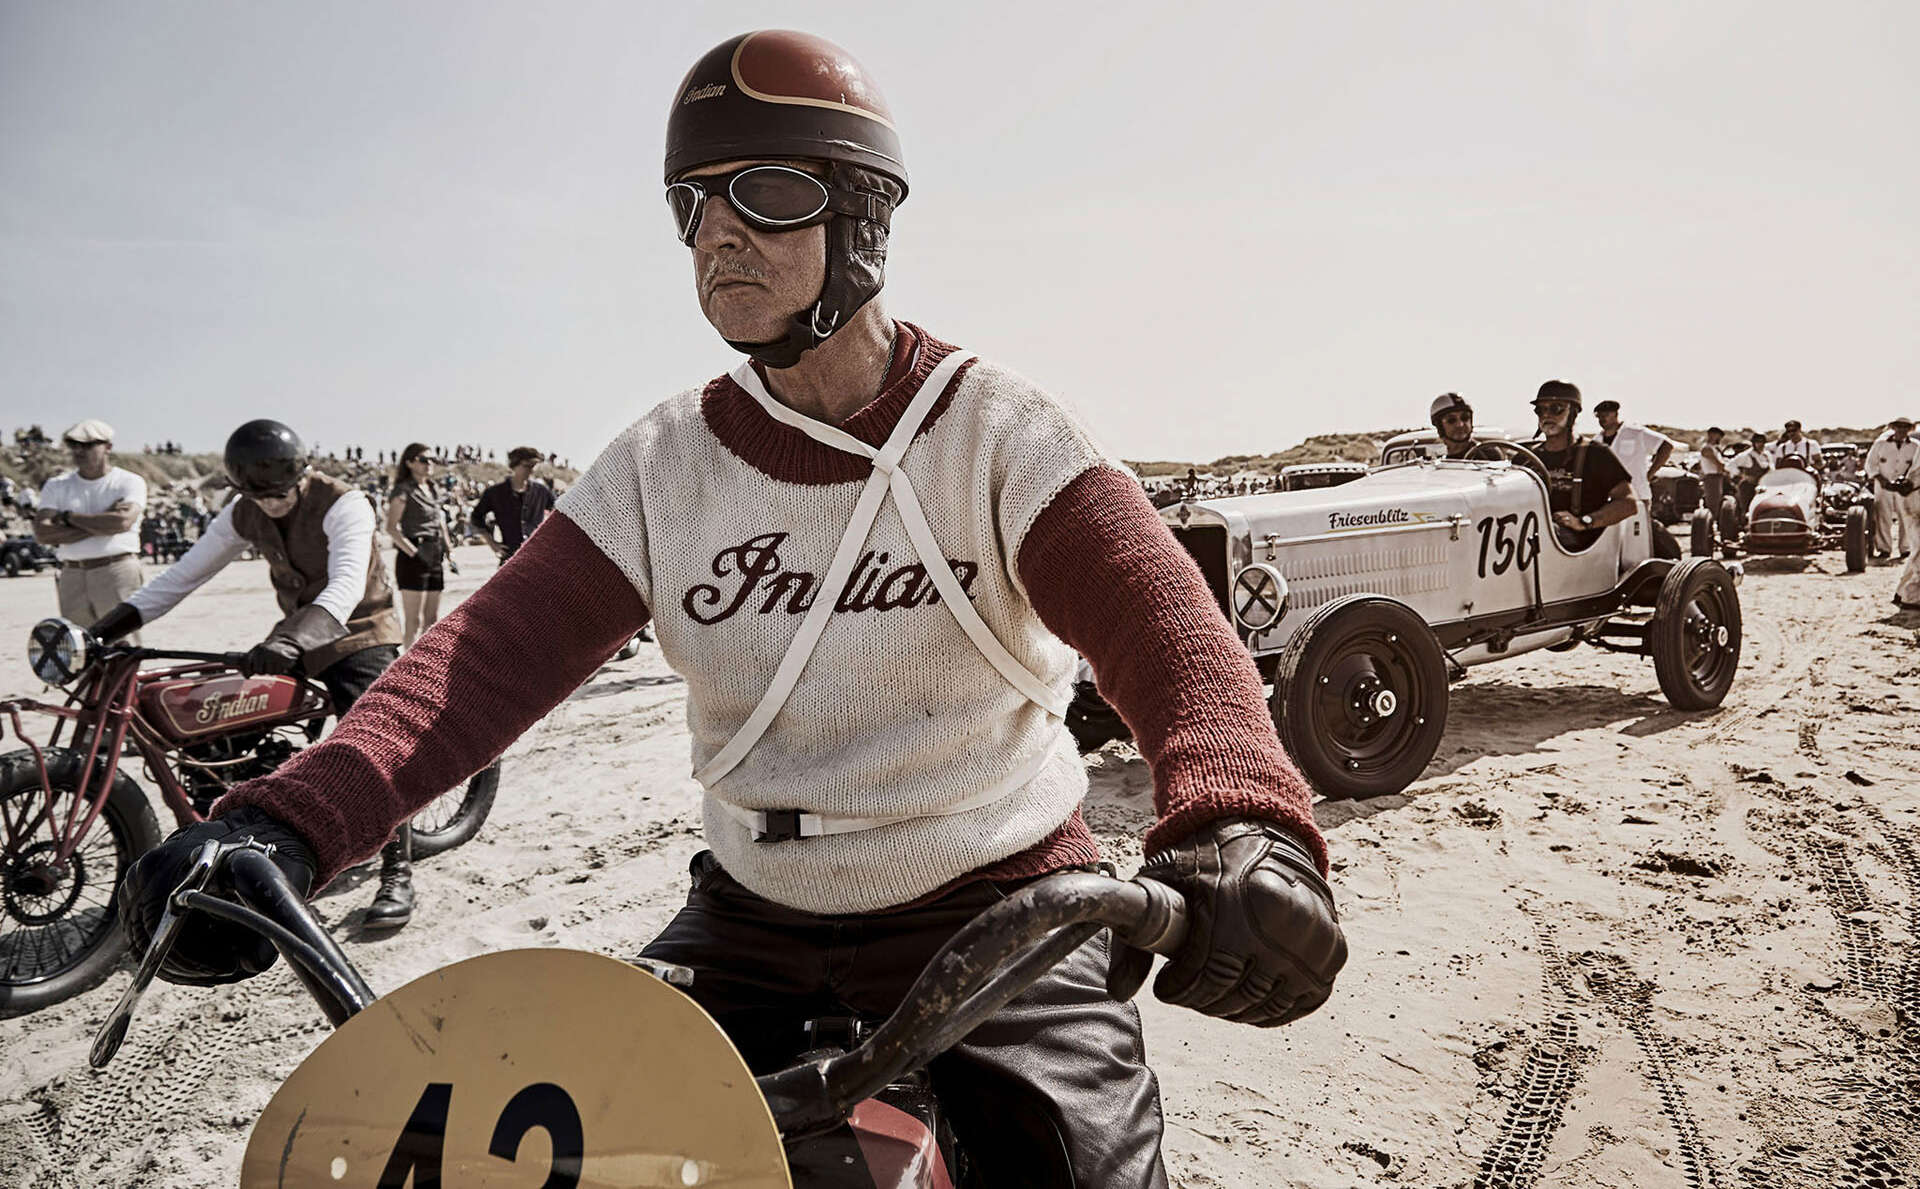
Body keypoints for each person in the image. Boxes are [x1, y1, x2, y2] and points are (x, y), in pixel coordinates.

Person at [116, 31, 1344, 1187]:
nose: (717, 234)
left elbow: (1169, 635)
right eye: (691, 204)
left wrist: (1241, 817)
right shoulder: (662, 465)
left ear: (863, 214)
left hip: (999, 907)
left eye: (763, 192)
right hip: (754, 921)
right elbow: (476, 662)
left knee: (1087, 1169)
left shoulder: (999, 431)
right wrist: (284, 822)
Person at [91, 420, 417, 929]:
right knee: (219, 716)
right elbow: (182, 576)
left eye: (280, 493)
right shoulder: (243, 510)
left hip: (360, 631)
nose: (270, 504)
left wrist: (288, 642)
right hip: (294, 634)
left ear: (301, 475)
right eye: (258, 496)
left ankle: (398, 871)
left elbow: (346, 587)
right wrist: (104, 630)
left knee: (372, 746)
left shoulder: (344, 503)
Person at [32, 419, 147, 637]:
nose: (79, 451)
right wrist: (102, 524)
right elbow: (43, 533)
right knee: (79, 647)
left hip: (115, 570)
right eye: (73, 445)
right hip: (72, 573)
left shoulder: (128, 481)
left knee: (122, 645)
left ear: (108, 447)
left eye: (87, 445)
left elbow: (122, 522)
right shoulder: (57, 485)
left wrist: (67, 517)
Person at [1519, 381, 1636, 550]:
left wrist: (1584, 522)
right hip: (1527, 538)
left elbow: (1628, 503)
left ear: (1573, 413)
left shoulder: (1596, 454)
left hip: (1574, 545)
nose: (1546, 415)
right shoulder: (1526, 457)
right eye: (1540, 410)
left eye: (1556, 409)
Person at [386, 443, 457, 646]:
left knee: (431, 619)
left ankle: (425, 659)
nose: (429, 464)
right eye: (424, 460)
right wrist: (413, 553)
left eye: (432, 460)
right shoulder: (403, 490)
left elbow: (439, 520)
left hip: (435, 552)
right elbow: (391, 528)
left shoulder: (432, 488)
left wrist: (448, 547)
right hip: (414, 553)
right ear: (409, 463)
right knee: (413, 621)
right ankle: (408, 660)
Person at [1590, 399, 1678, 559]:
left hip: (1637, 494)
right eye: (1599, 416)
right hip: (1608, 499)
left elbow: (1666, 445)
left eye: (1606, 415)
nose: (1602, 419)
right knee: (1613, 542)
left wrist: (1650, 474)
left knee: (1639, 540)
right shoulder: (1596, 441)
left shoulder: (1635, 432)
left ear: (1616, 414)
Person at [469, 446, 556, 562]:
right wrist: (492, 543)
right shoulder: (495, 493)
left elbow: (558, 512)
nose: (531, 470)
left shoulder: (541, 491)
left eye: (533, 466)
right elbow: (476, 517)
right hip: (509, 556)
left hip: (538, 556)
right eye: (527, 466)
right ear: (515, 465)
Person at [1865, 415, 1918, 560]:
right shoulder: (1880, 443)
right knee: (1883, 517)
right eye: (1899, 426)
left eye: (1905, 427)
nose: (1902, 430)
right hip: (1884, 485)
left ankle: (1905, 548)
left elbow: (1916, 466)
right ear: (1893, 427)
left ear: (1909, 429)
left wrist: (1908, 481)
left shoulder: (1915, 446)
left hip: (1905, 488)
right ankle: (1884, 548)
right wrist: (1881, 479)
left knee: (1906, 517)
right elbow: (1870, 464)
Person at [1730, 433, 1774, 523]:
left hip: (1764, 486)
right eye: (1758, 442)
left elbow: (1772, 468)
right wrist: (1743, 475)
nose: (1761, 444)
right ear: (1753, 443)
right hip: (1749, 486)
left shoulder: (1767, 455)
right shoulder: (1746, 455)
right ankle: (1744, 524)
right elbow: (1730, 465)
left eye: (1763, 442)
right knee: (1747, 508)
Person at [1430, 392, 1477, 459]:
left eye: (1465, 418)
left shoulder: (1488, 454)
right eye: (1451, 420)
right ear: (1439, 426)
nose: (1460, 425)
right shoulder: (1431, 461)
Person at [1697, 426, 1728, 522]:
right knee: (1713, 502)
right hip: (1712, 477)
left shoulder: (1714, 449)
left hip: (1716, 477)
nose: (1720, 439)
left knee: (1717, 501)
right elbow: (1719, 464)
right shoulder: (1707, 449)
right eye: (1718, 436)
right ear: (1712, 435)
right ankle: (1711, 523)